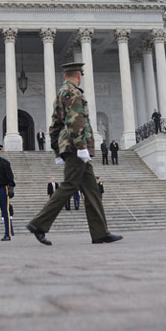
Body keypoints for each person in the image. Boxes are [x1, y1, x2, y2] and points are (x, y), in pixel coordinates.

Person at [26, 62, 122, 247]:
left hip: (68, 146)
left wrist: (56, 150)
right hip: (76, 146)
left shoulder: (61, 93)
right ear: (79, 75)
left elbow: (54, 125)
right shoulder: (75, 93)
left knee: (92, 190)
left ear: (65, 76)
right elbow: (76, 121)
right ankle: (39, 223)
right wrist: (81, 147)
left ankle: (100, 232)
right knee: (69, 185)